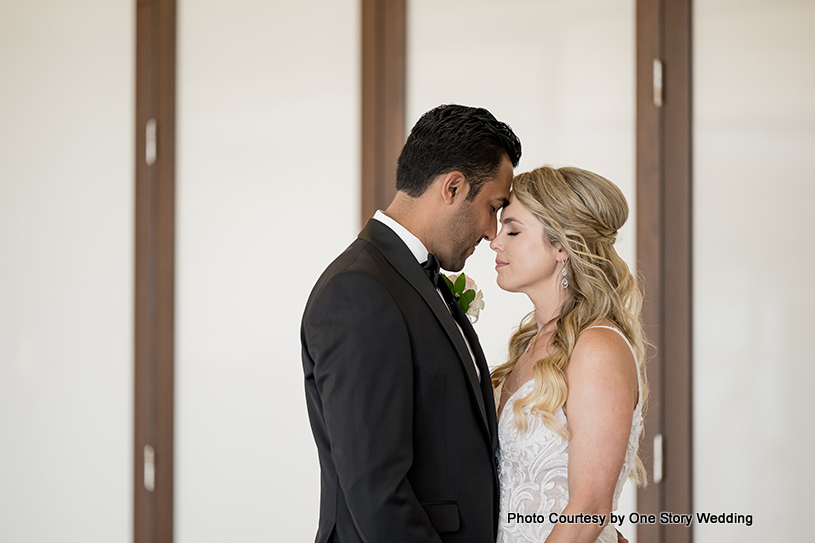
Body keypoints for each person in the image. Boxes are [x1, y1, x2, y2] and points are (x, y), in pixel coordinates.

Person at [301, 104, 522, 543]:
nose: (492, 231)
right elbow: (375, 488)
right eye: (493, 207)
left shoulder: (409, 277)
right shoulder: (359, 291)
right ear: (453, 187)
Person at [489, 166, 647, 543]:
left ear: (561, 247)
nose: (495, 242)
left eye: (512, 230)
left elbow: (589, 509)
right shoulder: (530, 343)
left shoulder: (597, 349)